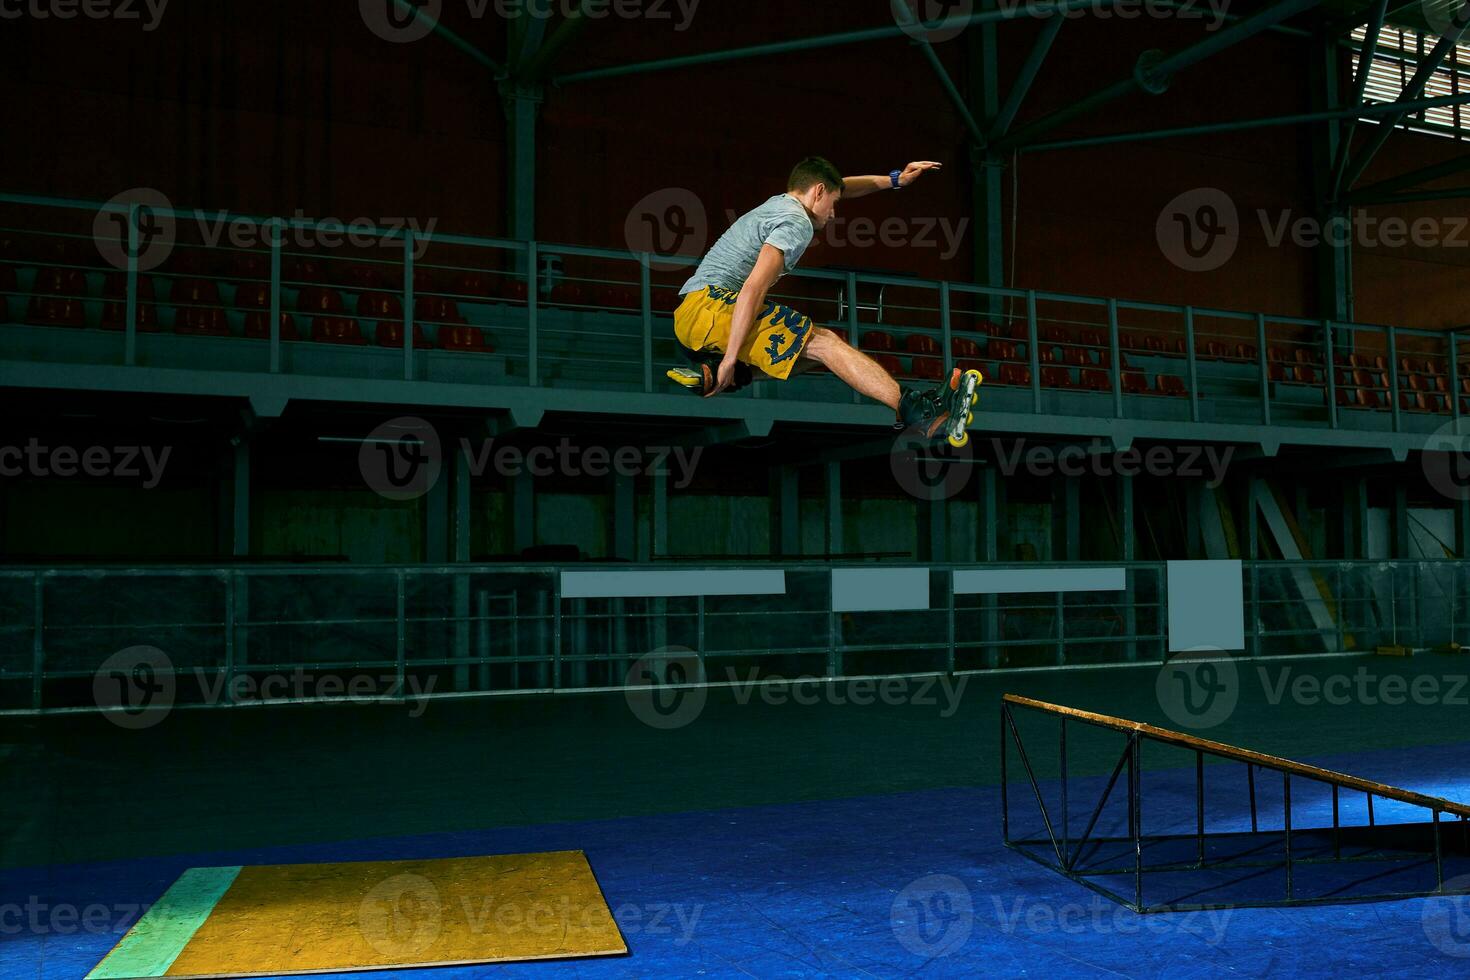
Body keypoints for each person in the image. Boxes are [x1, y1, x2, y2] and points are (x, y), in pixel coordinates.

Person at [671, 156, 962, 439]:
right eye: (834, 204)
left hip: (694, 318)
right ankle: (918, 411)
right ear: (819, 191)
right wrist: (730, 358)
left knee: (814, 356)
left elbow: (843, 186)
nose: (834, 213)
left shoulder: (780, 203)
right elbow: (754, 288)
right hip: (710, 307)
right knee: (824, 343)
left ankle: (738, 375)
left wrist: (896, 180)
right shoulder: (797, 222)